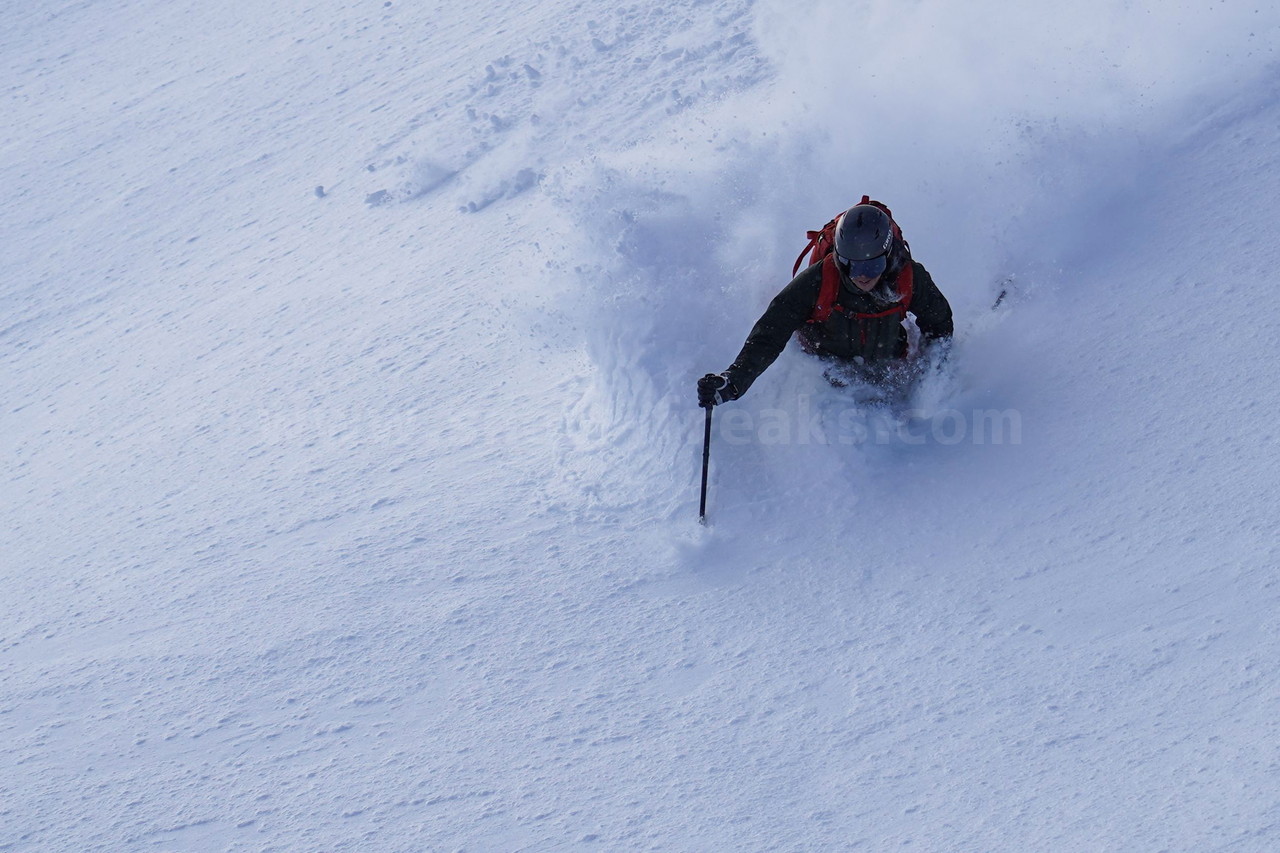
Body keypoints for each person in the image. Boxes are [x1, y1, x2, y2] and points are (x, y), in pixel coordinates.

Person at [698, 201, 953, 408]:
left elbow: (940, 325)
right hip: (828, 370)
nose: (861, 275)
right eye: (849, 265)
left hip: (885, 366)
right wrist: (733, 381)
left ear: (888, 256)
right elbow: (771, 332)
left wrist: (930, 378)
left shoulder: (909, 278)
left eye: (872, 265)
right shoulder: (820, 279)